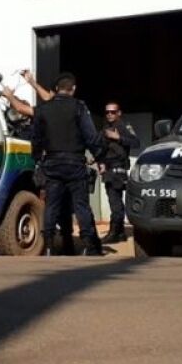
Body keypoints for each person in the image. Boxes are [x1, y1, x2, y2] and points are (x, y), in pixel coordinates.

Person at [0, 70, 76, 255]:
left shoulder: (42, 117)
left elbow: (45, 101)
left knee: (60, 206)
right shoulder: (12, 127)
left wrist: (27, 85)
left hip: (49, 168)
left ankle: (65, 242)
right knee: (50, 207)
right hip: (35, 171)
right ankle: (49, 244)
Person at [31, 72, 103, 256]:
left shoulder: (42, 109)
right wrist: (99, 157)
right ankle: (88, 245)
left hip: (52, 163)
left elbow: (36, 138)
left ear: (56, 89)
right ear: (73, 89)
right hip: (74, 162)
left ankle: (48, 245)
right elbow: (91, 136)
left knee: (51, 205)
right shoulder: (79, 107)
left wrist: (37, 159)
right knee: (81, 206)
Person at [96, 102, 140, 244]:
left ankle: (114, 233)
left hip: (118, 170)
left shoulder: (123, 126)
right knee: (115, 202)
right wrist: (99, 162)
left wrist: (118, 138)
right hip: (108, 170)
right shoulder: (105, 129)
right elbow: (101, 149)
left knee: (115, 203)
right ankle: (120, 233)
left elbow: (136, 142)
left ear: (119, 113)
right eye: (107, 112)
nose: (109, 114)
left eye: (113, 112)